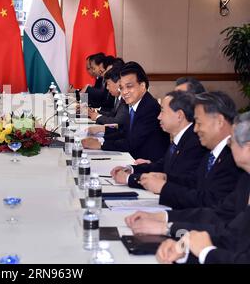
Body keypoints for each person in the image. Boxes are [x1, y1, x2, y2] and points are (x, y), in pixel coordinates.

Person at [145, 112, 250, 264]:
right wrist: (184, 246)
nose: (228, 145)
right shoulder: (246, 179)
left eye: (231, 142)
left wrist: (205, 252)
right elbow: (225, 225)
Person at [110, 91, 208, 192]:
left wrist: (129, 179)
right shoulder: (183, 137)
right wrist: (132, 169)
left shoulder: (194, 143)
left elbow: (176, 181)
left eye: (163, 111)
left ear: (179, 115)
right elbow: (163, 166)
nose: (159, 117)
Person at [82, 62, 170, 162]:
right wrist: (104, 131)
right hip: (133, 157)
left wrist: (101, 144)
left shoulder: (149, 108)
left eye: (129, 86)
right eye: (122, 87)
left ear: (142, 86)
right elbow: (124, 130)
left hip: (146, 165)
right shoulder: (135, 104)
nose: (124, 92)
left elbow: (131, 142)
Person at [87, 60, 128, 127]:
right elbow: (113, 114)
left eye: (108, 84)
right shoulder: (119, 97)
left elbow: (117, 122)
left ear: (119, 83)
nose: (107, 88)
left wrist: (97, 117)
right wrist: (95, 112)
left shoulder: (125, 98)